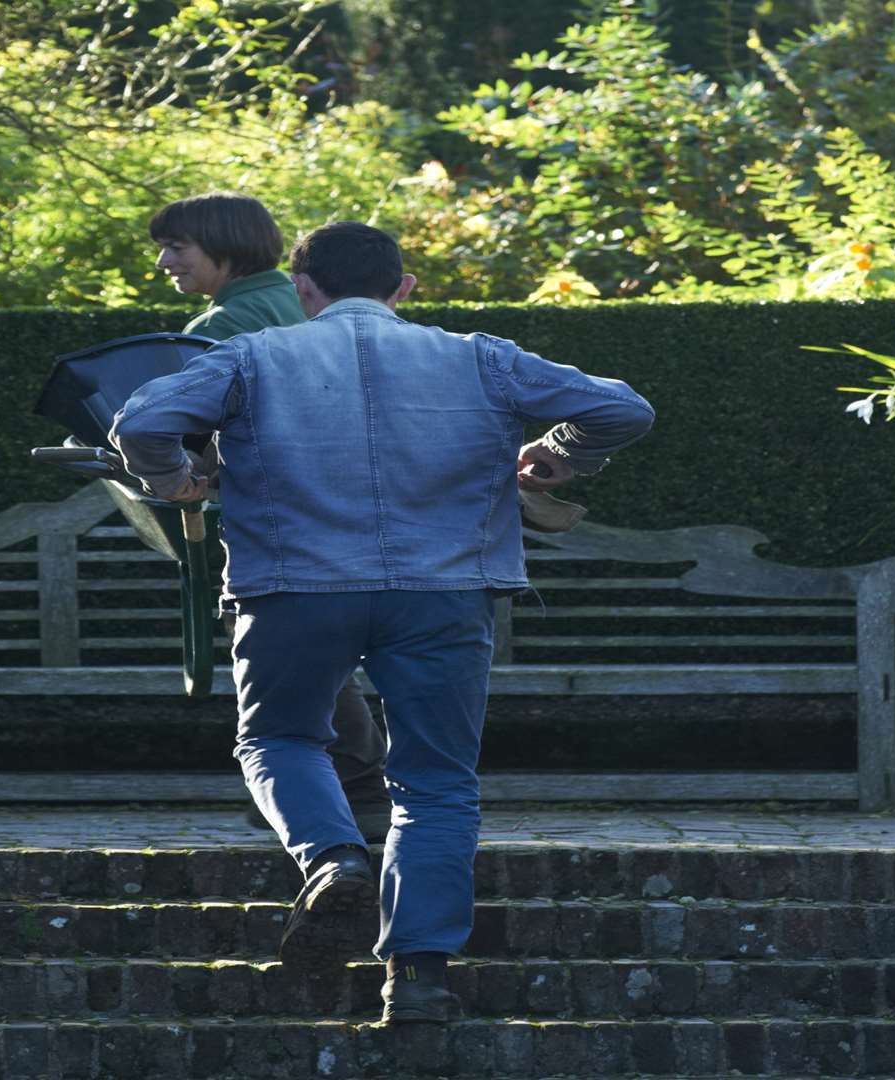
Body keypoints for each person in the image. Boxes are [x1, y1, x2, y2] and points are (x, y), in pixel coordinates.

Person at [110, 222, 654, 1024]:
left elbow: (141, 421)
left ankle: (333, 861)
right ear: (402, 288)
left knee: (280, 740)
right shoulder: (481, 356)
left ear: (303, 288)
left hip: (294, 590)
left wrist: (178, 478)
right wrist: (562, 454)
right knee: (436, 782)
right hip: (444, 594)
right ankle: (419, 977)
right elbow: (623, 408)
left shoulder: (255, 355)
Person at [149, 192, 393, 845]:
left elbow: (186, 433)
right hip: (353, 506)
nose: (164, 261)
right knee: (323, 653)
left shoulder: (222, 325)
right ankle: (345, 792)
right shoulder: (302, 303)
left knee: (283, 660)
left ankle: (325, 797)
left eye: (177, 246)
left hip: (277, 520)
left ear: (225, 247)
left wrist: (171, 472)